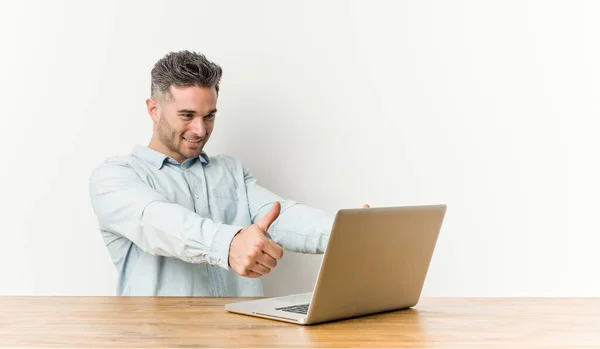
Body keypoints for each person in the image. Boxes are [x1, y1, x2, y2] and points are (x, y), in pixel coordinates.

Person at [89, 50, 369, 296]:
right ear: (153, 110)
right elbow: (159, 223)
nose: (200, 130)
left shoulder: (230, 172)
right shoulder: (114, 178)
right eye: (187, 115)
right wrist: (229, 245)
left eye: (209, 115)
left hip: (242, 336)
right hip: (162, 339)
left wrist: (344, 231)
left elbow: (280, 215)